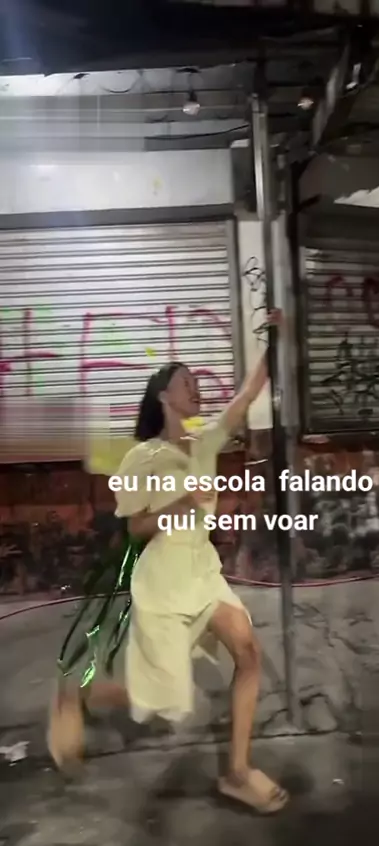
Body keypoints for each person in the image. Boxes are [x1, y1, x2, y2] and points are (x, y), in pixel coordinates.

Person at [47, 309, 288, 814]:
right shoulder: (142, 458)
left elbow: (246, 396)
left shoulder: (204, 443)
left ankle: (237, 773)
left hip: (202, 572)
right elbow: (135, 528)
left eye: (198, 382)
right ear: (163, 395)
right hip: (163, 585)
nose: (196, 388)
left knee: (248, 653)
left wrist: (275, 337)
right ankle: (78, 695)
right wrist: (179, 504)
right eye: (186, 382)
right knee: (158, 705)